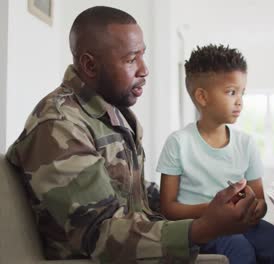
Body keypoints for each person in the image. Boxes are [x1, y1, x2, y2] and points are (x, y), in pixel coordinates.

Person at [5, 6, 260, 263]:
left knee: (251, 244)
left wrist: (209, 204)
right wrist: (204, 226)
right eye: (130, 60)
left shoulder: (113, 112)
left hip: (133, 245)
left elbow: (134, 192)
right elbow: (100, 234)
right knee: (236, 247)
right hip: (99, 256)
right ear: (90, 65)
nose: (144, 70)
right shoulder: (59, 126)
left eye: (142, 56)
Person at [156, 44, 274, 264]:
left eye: (242, 92)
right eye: (231, 92)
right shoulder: (178, 142)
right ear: (202, 97)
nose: (240, 101)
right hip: (203, 227)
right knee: (240, 251)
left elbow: (260, 199)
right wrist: (215, 211)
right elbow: (168, 208)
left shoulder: (246, 143)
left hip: (244, 224)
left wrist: (254, 209)